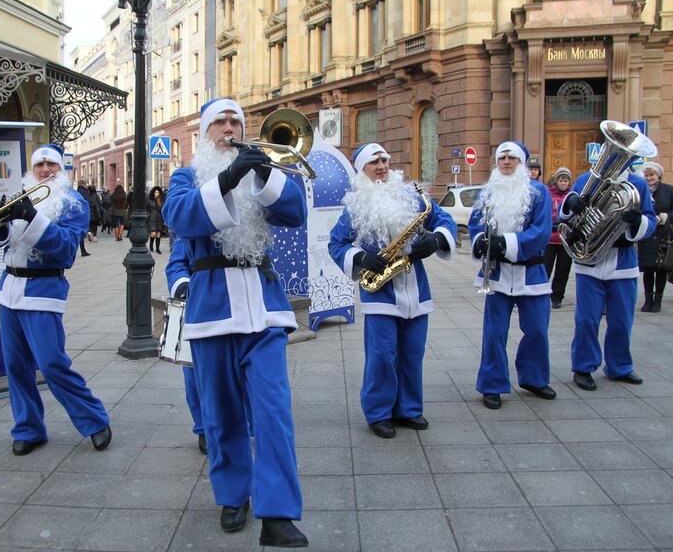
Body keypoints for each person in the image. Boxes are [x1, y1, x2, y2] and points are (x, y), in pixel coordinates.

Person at [162, 98, 308, 548]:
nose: (229, 128)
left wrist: (262, 172)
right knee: (221, 414)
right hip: (211, 310)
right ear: (204, 132)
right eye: (220, 122)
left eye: (236, 122)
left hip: (264, 306)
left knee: (274, 412)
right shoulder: (187, 176)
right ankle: (232, 496)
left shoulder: (260, 168)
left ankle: (278, 513)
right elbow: (178, 216)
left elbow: (296, 211)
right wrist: (227, 177)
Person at [0, 145, 111, 456]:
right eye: (38, 164)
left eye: (50, 164)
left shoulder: (73, 202)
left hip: (43, 291)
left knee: (52, 364)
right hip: (9, 288)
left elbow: (67, 250)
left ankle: (94, 419)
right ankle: (28, 428)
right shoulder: (21, 194)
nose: (44, 170)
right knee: (15, 364)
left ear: (61, 168)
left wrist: (33, 217)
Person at [328, 143, 456, 438]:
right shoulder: (355, 206)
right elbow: (336, 243)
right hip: (381, 294)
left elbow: (443, 220)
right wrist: (360, 258)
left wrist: (437, 239)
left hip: (416, 289)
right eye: (374, 162)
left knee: (413, 353)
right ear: (362, 171)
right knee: (383, 355)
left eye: (385, 159)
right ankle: (379, 412)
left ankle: (409, 409)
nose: (382, 166)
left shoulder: (412, 196)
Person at [468, 141, 556, 410]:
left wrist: (506, 243)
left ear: (523, 162)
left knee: (538, 330)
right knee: (494, 333)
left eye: (512, 158)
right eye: (502, 157)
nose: (506, 162)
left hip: (532, 272)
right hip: (496, 273)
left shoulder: (539, 192)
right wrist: (480, 241)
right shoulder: (487, 192)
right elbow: (475, 224)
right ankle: (492, 384)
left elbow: (541, 230)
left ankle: (534, 378)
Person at [560, 158, 656, 390]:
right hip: (589, 261)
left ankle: (619, 366)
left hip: (622, 262)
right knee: (586, 319)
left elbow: (650, 220)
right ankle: (583, 366)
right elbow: (566, 214)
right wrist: (571, 202)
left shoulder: (638, 185)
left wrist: (639, 221)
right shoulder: (586, 180)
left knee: (622, 320)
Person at [165, 240, 207, 454]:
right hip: (201, 305)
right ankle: (205, 429)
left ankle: (248, 423)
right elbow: (176, 265)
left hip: (243, 307)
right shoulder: (194, 211)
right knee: (194, 372)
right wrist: (183, 287)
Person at [637, 162, 673, 312]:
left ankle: (658, 300)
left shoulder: (669, 190)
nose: (649, 178)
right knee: (648, 268)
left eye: (652, 175)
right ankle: (648, 299)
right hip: (647, 233)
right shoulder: (641, 190)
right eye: (647, 175)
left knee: (661, 268)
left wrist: (666, 217)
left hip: (663, 234)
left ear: (659, 176)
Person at [545, 167, 574, 309]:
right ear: (556, 181)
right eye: (561, 180)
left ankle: (557, 297)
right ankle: (542, 292)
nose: (563, 183)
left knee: (563, 270)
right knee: (546, 267)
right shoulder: (548, 193)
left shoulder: (572, 195)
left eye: (566, 180)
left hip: (565, 239)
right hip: (550, 238)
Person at [147, 186, 166, 254]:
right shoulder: (150, 200)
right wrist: (148, 216)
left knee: (158, 234)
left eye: (158, 192)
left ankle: (157, 248)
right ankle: (151, 245)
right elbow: (146, 209)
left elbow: (163, 209)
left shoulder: (161, 200)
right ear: (153, 192)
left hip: (159, 218)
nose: (156, 193)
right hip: (152, 218)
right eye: (155, 192)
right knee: (153, 233)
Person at [76, 180, 90, 256]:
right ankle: (83, 250)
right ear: (84, 184)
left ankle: (82, 250)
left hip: (77, 214)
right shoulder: (85, 192)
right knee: (81, 232)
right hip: (82, 214)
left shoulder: (77, 191)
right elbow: (86, 204)